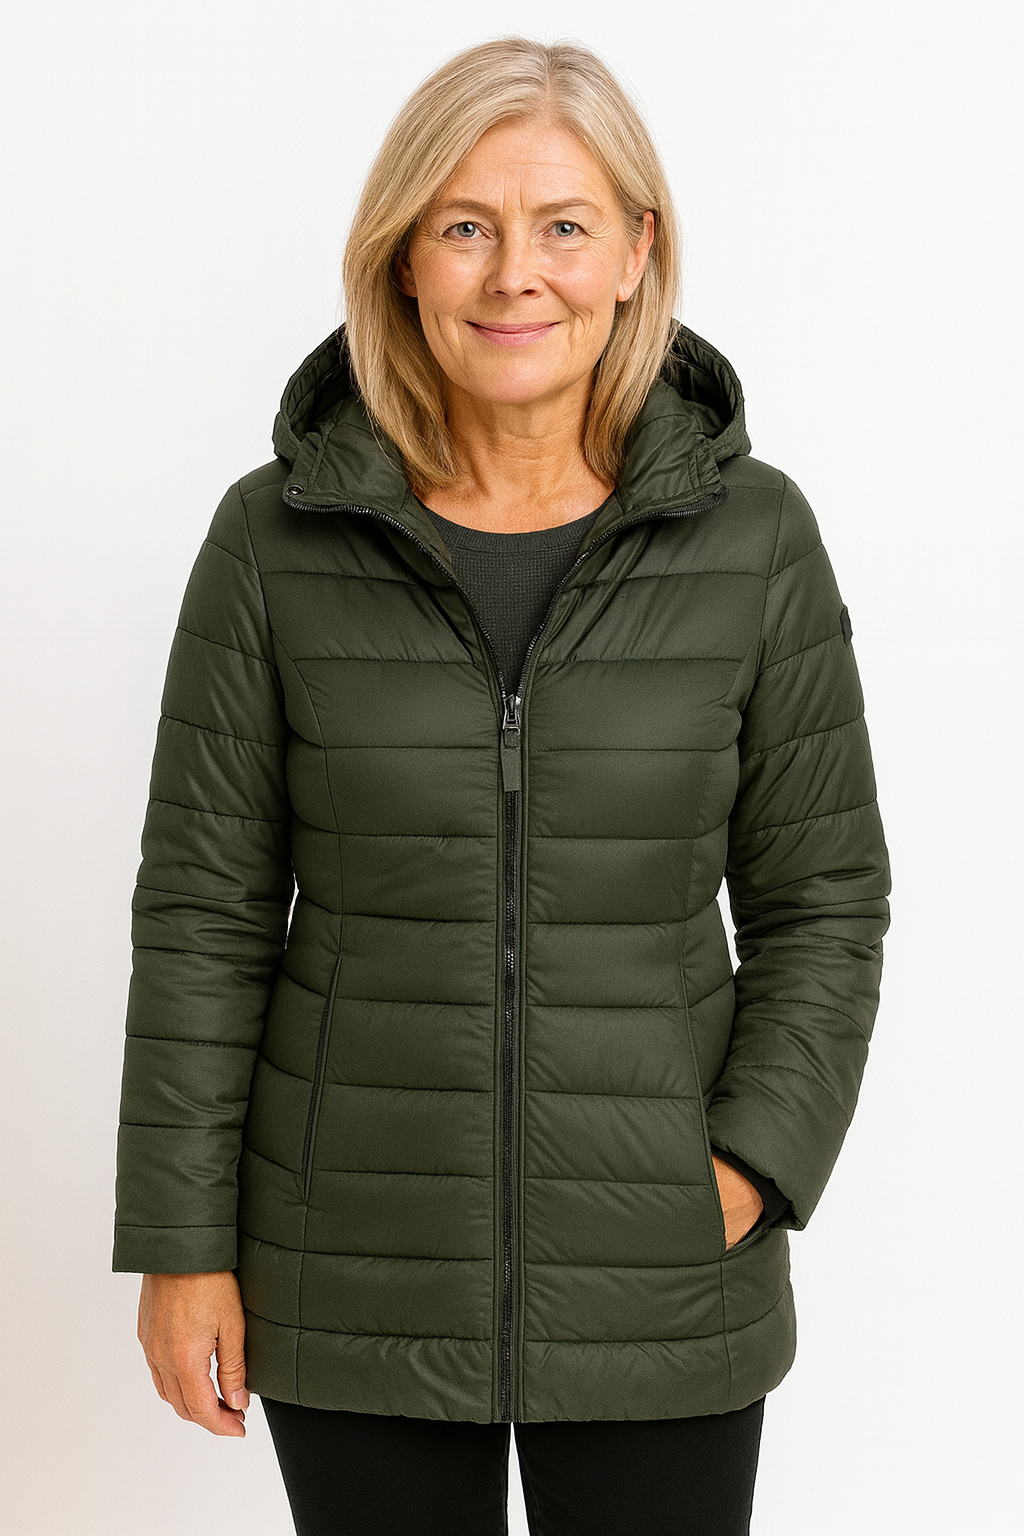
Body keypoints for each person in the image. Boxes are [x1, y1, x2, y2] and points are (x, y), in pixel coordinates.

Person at [113, 35, 890, 1536]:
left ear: (636, 251)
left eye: (564, 226)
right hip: (351, 1267)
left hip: (667, 1274)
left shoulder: (757, 539)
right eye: (466, 225)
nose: (514, 274)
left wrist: (749, 1165)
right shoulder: (273, 541)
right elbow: (204, 915)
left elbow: (826, 900)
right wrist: (180, 1242)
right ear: (404, 258)